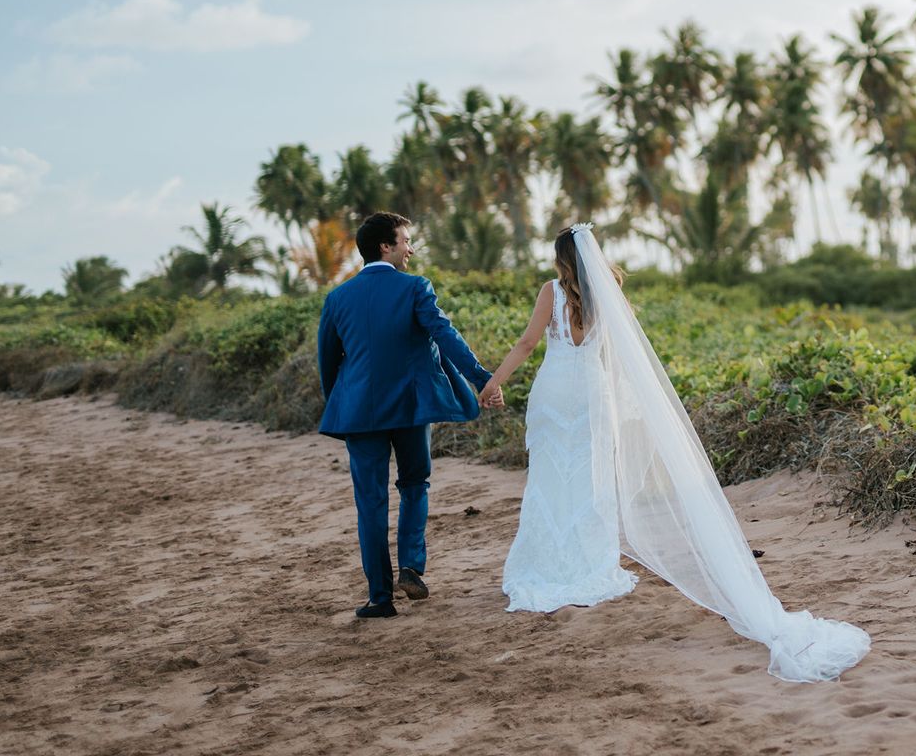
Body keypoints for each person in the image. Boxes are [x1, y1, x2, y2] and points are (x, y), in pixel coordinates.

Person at [482, 224, 870, 681]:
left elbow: (528, 343)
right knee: (591, 481)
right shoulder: (610, 296)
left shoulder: (551, 292)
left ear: (560, 260)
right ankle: (588, 566)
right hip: (591, 396)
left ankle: (546, 565)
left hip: (554, 393)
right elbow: (619, 359)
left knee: (549, 479)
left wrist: (494, 381)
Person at [317, 212, 497, 619]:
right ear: (386, 245)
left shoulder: (337, 298)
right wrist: (482, 378)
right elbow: (445, 335)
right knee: (415, 483)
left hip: (358, 412)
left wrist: (343, 407)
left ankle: (379, 598)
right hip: (411, 407)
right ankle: (412, 567)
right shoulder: (415, 287)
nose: (410, 248)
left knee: (370, 502)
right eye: (405, 240)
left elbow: (329, 363)